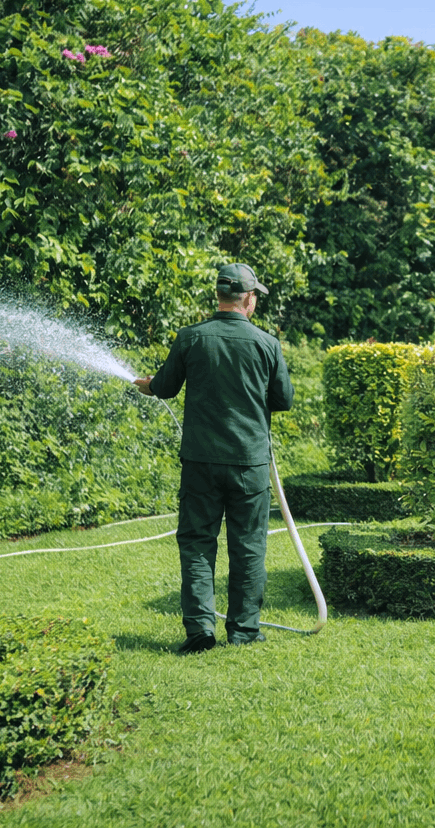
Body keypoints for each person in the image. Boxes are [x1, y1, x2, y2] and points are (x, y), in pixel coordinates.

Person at [135, 263, 293, 653]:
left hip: (200, 463)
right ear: (249, 298)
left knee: (197, 544)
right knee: (249, 546)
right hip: (249, 464)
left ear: (220, 296)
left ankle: (200, 631)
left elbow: (165, 387)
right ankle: (243, 631)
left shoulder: (191, 338)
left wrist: (148, 385)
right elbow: (283, 400)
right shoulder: (267, 343)